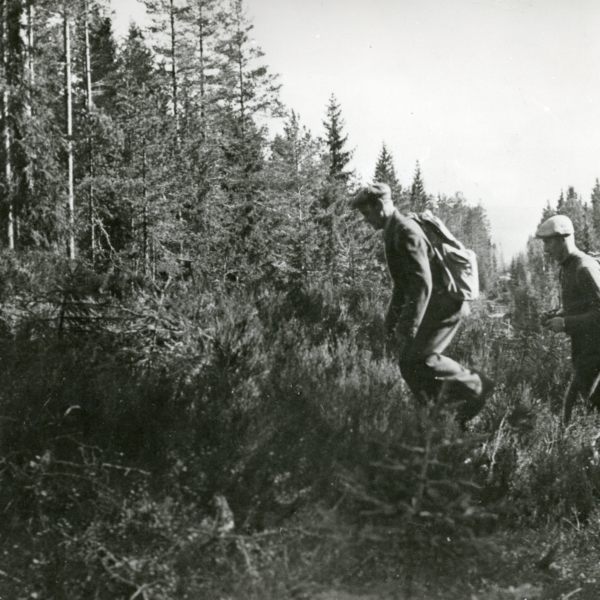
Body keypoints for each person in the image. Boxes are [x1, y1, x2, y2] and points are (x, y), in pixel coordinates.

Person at [350, 182, 494, 426]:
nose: (365, 219)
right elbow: (401, 285)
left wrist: (408, 326)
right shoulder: (393, 230)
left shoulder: (406, 231)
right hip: (435, 304)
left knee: (422, 360)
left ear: (380, 205)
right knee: (409, 364)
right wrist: (391, 322)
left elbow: (421, 284)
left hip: (447, 305)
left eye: (366, 213)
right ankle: (438, 414)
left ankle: (477, 385)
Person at [536, 214, 600, 423]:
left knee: (575, 416)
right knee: (583, 414)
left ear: (564, 239)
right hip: (585, 356)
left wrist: (565, 324)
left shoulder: (584, 268)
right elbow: (583, 305)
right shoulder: (567, 268)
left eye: (549, 242)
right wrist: (559, 314)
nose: (545, 249)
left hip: (595, 357)